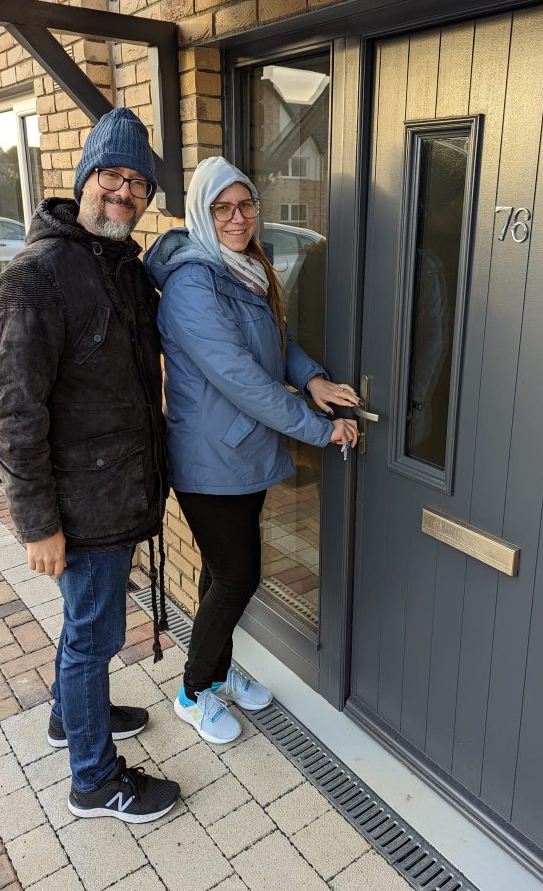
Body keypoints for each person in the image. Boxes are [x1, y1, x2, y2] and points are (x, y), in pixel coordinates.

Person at [0, 108, 181, 823]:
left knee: (87, 629)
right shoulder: (38, 276)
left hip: (118, 489)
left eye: (139, 182)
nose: (125, 192)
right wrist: (37, 525)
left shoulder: (120, 266)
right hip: (82, 504)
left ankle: (75, 718)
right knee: (93, 634)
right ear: (84, 178)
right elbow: (14, 413)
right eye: (113, 175)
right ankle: (94, 781)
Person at [144, 156, 359, 744]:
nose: (238, 218)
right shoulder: (193, 284)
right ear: (202, 213)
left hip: (240, 453)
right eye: (224, 208)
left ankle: (215, 675)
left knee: (221, 573)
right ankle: (192, 690)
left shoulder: (242, 268)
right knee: (239, 577)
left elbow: (275, 345)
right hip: (208, 459)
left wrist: (312, 378)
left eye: (246, 206)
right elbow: (241, 378)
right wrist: (321, 430)